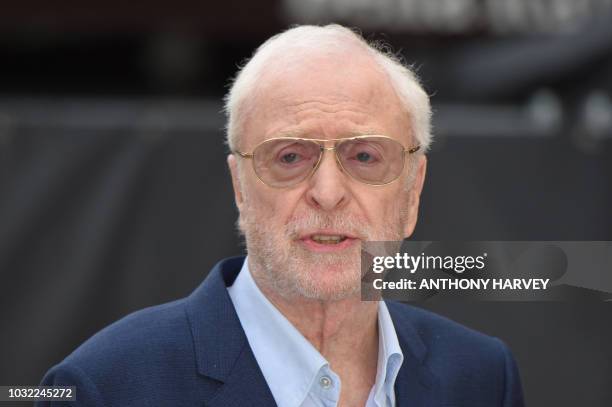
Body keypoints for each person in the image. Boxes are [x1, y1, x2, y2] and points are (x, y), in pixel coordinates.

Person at [39, 24, 525, 406]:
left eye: (364, 157)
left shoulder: (480, 377)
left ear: (413, 191)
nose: (328, 193)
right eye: (290, 157)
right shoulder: (107, 389)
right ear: (240, 189)